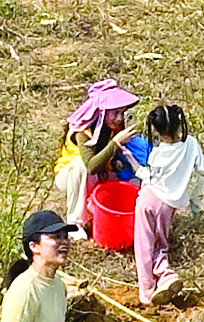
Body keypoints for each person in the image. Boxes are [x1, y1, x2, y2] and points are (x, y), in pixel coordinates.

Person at [136, 102, 204, 307]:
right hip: (169, 206)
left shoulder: (157, 153)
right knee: (160, 244)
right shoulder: (190, 144)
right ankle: (166, 277)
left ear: (155, 130)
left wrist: (131, 162)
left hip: (149, 200)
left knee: (145, 246)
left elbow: (149, 176)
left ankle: (147, 293)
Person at [54, 78, 143, 230]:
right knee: (81, 166)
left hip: (99, 174)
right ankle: (75, 222)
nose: (120, 118)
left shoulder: (111, 127)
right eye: (115, 113)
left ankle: (98, 208)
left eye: (122, 112)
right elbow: (91, 166)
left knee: (135, 183)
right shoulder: (82, 132)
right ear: (101, 112)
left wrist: (114, 161)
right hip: (71, 177)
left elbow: (105, 155)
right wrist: (115, 143)